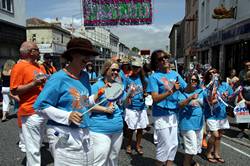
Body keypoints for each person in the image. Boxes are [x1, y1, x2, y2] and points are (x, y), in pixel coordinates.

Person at [33, 38, 110, 165]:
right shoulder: (58, 78)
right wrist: (67, 116)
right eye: (84, 54)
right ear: (73, 54)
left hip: (84, 132)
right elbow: (40, 106)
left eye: (89, 55)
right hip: (64, 133)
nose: (88, 59)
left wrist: (98, 94)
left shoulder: (84, 76)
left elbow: (82, 103)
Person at [10, 41, 47, 166]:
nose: (39, 51)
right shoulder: (19, 67)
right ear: (31, 52)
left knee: (38, 142)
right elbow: (14, 90)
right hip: (29, 111)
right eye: (37, 49)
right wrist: (33, 84)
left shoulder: (39, 66)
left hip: (43, 110)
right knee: (32, 147)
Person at [147, 50, 187, 166]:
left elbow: (187, 89)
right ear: (156, 63)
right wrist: (171, 91)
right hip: (161, 115)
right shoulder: (154, 77)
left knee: (174, 144)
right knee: (164, 146)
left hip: (173, 114)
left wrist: (194, 81)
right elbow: (155, 98)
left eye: (165, 57)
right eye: (160, 59)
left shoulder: (175, 74)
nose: (164, 60)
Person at [90, 60, 125, 166]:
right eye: (113, 69)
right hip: (100, 129)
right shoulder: (96, 86)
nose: (116, 72)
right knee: (100, 160)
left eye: (118, 70)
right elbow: (88, 106)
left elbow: (124, 103)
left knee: (113, 158)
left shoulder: (118, 86)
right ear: (106, 70)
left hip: (117, 128)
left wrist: (131, 94)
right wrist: (105, 110)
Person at [204, 68, 233, 163]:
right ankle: (208, 153)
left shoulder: (225, 85)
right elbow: (209, 101)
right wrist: (216, 98)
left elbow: (230, 98)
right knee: (215, 135)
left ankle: (216, 154)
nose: (213, 74)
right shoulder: (206, 87)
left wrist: (227, 96)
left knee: (219, 136)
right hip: (211, 115)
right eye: (211, 73)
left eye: (215, 72)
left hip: (222, 115)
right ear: (208, 76)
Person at [176, 73, 205, 166]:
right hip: (187, 124)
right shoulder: (182, 92)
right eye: (191, 80)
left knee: (195, 147)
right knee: (191, 148)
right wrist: (190, 98)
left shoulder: (201, 91)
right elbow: (180, 105)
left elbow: (208, 103)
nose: (193, 82)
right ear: (187, 80)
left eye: (195, 80)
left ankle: (190, 161)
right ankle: (186, 164)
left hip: (199, 123)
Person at [125, 58, 149, 155]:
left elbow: (147, 91)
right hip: (131, 107)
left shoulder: (144, 79)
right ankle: (129, 145)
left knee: (140, 128)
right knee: (130, 129)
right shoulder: (127, 79)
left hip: (141, 107)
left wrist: (145, 94)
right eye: (133, 67)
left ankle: (138, 145)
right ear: (131, 67)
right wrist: (128, 96)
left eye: (137, 67)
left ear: (140, 68)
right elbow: (123, 91)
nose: (135, 69)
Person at [237, 71, 250, 138]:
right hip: (244, 102)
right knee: (243, 118)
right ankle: (242, 132)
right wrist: (243, 100)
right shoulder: (244, 83)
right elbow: (240, 91)